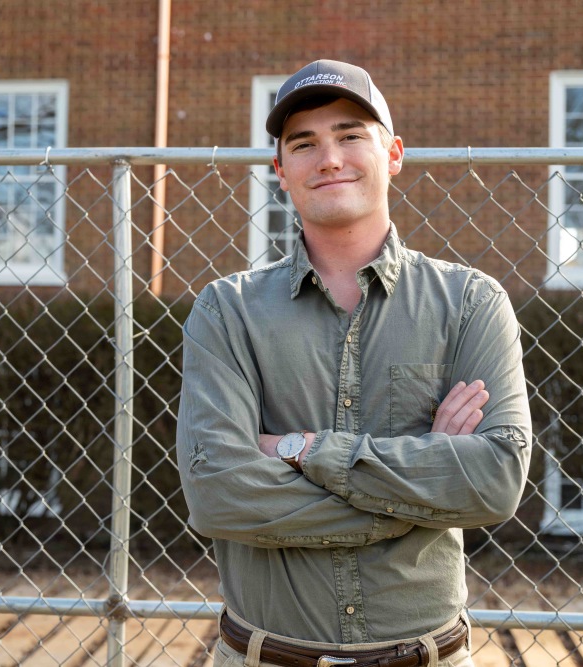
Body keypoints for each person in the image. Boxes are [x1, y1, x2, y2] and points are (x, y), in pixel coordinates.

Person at [176, 59, 532, 667]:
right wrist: (419, 491)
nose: (330, 158)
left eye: (349, 135)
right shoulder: (227, 311)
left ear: (393, 153)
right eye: (304, 143)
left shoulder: (471, 302)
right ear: (280, 172)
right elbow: (218, 492)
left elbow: (495, 480)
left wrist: (301, 450)